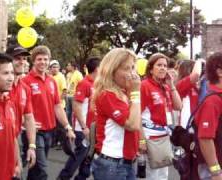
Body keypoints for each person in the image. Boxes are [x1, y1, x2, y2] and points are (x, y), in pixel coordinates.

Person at [23, 45, 76, 180]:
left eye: (45, 59)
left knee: (35, 170)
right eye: (39, 59)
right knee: (42, 170)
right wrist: (24, 122)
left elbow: (57, 107)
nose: (43, 62)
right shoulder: (25, 81)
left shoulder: (51, 81)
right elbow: (18, 107)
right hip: (34, 132)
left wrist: (67, 127)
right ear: (33, 61)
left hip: (50, 131)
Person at [90, 48, 141, 180]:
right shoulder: (108, 94)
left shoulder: (123, 92)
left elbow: (137, 119)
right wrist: (135, 93)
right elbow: (132, 124)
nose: (132, 74)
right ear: (112, 71)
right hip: (113, 164)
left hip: (125, 162)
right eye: (126, 68)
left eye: (133, 68)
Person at [140, 53, 182, 180]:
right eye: (159, 65)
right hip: (151, 138)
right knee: (152, 176)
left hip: (165, 137)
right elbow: (137, 115)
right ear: (151, 69)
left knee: (163, 175)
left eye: (165, 65)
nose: (163, 68)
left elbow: (178, 106)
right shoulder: (144, 85)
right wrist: (141, 140)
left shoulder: (165, 86)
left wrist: (172, 86)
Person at [58, 57, 100, 180]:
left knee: (88, 158)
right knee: (79, 156)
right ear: (97, 69)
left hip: (93, 128)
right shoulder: (85, 83)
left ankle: (81, 177)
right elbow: (77, 106)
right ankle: (63, 177)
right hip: (83, 129)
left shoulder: (97, 84)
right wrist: (83, 127)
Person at [6, 45, 36, 168]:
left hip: (14, 140)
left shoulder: (25, 88)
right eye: (17, 58)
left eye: (24, 58)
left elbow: (29, 118)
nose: (22, 61)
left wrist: (32, 146)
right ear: (7, 61)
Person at [194, 52, 222, 180]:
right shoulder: (212, 101)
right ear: (219, 72)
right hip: (214, 168)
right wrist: (215, 171)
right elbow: (205, 138)